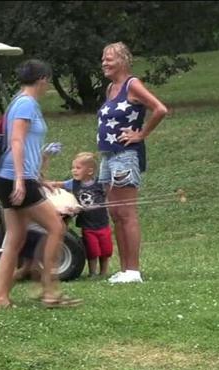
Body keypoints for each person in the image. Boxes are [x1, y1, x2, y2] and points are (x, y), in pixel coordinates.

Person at [0, 60, 82, 309]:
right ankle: (49, 289)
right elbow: (17, 141)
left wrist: (38, 178)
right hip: (14, 177)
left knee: (15, 237)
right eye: (48, 80)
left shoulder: (18, 101)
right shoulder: (26, 104)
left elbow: (26, 145)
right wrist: (22, 179)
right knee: (56, 227)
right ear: (42, 79)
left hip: (11, 177)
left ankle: (1, 298)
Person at [97, 42, 168, 283]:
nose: (104, 63)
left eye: (109, 59)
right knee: (115, 213)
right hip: (108, 155)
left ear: (124, 61)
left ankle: (134, 270)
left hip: (126, 155)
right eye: (103, 59)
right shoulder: (110, 88)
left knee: (126, 212)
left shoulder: (132, 85)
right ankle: (124, 269)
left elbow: (160, 109)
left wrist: (141, 134)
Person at [51, 152, 113, 278]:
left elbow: (109, 191)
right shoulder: (73, 183)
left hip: (103, 224)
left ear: (90, 171)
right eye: (73, 168)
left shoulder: (100, 183)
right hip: (88, 226)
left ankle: (104, 272)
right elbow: (60, 184)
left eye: (78, 168)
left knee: (106, 250)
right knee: (92, 251)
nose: (74, 170)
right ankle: (93, 273)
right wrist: (45, 183)